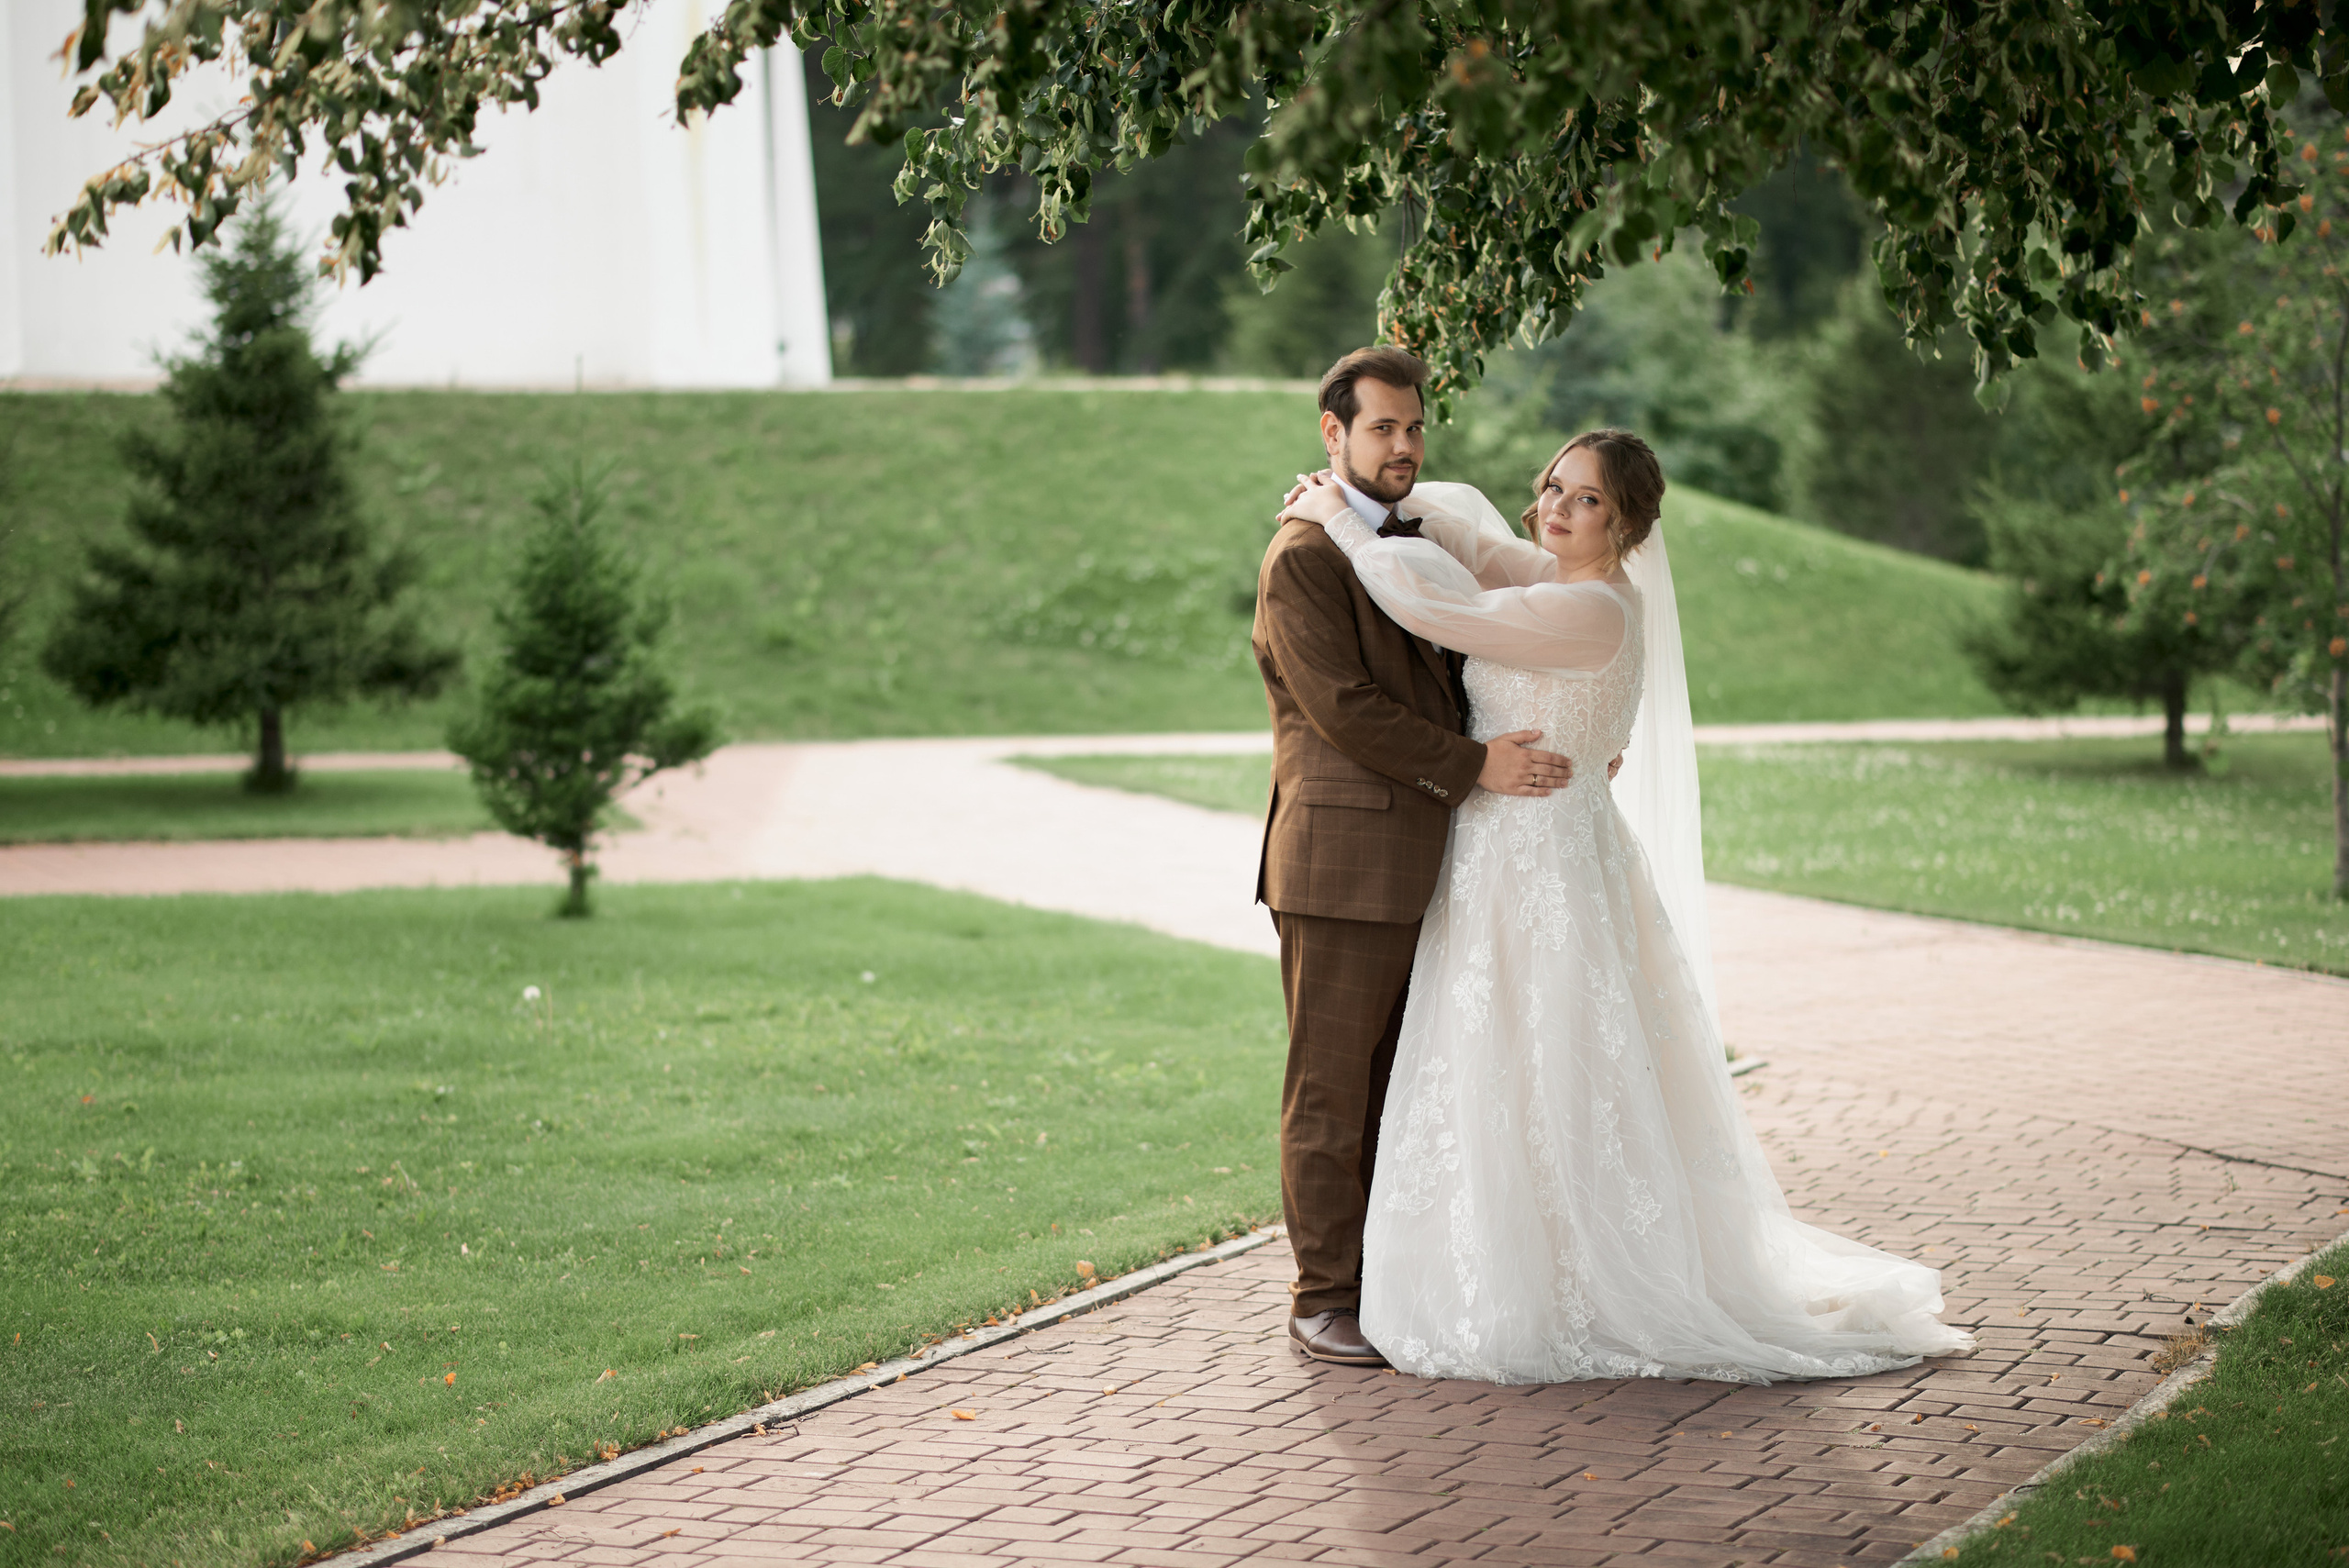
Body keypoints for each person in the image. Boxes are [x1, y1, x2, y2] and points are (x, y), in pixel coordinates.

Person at [1275, 428, 1976, 1384]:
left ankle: (1575, 1284)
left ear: (1631, 520)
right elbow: (1476, 534)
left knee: (1554, 1069)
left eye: (1587, 499)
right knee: (1499, 1069)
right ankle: (1508, 1263)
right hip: (1500, 858)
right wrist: (1370, 493)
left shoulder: (1592, 610)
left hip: (1541, 865)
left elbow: (1428, 602)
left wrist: (1339, 528)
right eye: (1553, 487)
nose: (1556, 508)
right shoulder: (1557, 580)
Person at [1250, 347, 1576, 1366]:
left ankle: (1387, 1285)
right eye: (1381, 426)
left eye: (1413, 425)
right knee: (1333, 1091)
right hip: (1342, 862)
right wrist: (1475, 764)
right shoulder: (1304, 555)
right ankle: (1321, 1298)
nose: (1403, 445)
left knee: (1404, 1084)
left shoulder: (1418, 522)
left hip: (1432, 854)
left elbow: (1476, 645)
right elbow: (1346, 709)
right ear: (1331, 433)